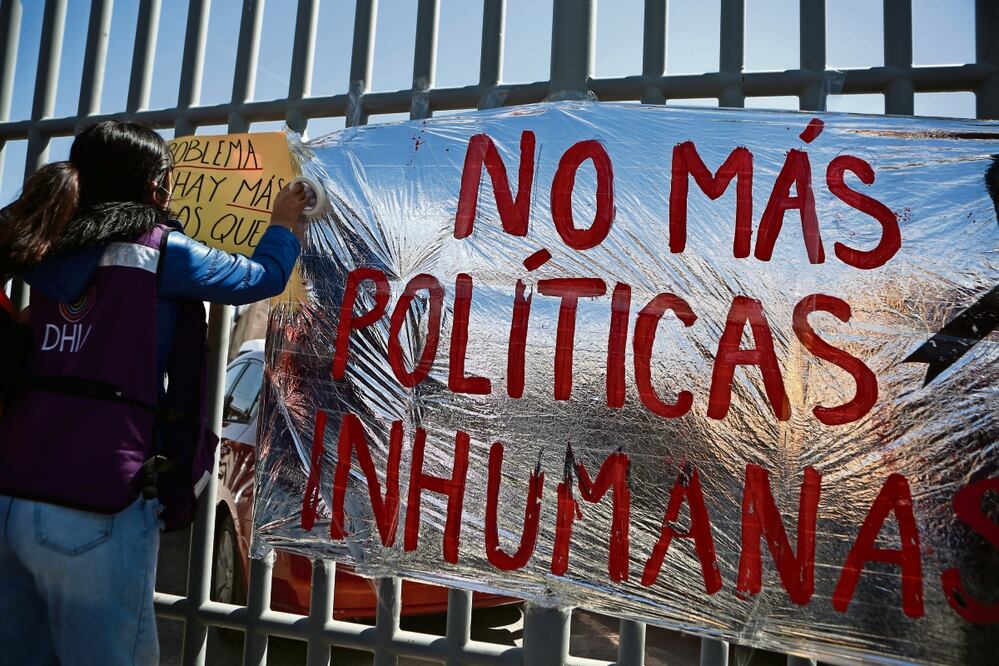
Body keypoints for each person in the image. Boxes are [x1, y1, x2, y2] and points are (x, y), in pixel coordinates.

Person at [0, 119, 308, 665]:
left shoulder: (49, 248)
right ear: (153, 186)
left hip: (13, 489)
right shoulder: (158, 252)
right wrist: (282, 224)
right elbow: (260, 277)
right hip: (98, 496)